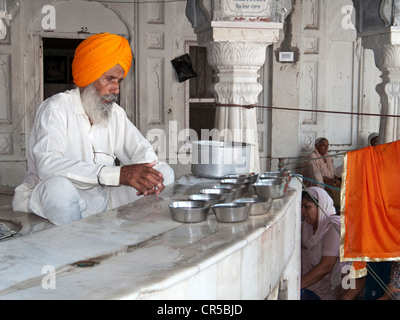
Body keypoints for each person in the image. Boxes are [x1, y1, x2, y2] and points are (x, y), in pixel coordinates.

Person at [12, 33, 174, 226]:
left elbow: (141, 150)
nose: (116, 89)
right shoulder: (56, 108)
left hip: (104, 199)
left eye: (119, 81)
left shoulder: (114, 113)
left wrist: (148, 175)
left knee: (164, 171)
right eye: (109, 79)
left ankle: (134, 235)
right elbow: (47, 165)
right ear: (88, 77)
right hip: (58, 199)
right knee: (58, 188)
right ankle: (77, 250)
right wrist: (117, 174)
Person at [301, 187, 343, 300]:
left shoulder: (333, 226)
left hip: (339, 283)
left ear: (321, 207)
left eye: (307, 207)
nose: (302, 211)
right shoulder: (309, 226)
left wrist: (296, 286)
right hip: (318, 282)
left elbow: (327, 266)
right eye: (301, 207)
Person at [302, 137, 341, 207]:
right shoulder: (311, 157)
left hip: (331, 182)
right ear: (316, 146)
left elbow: (332, 172)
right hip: (319, 185)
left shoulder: (328, 156)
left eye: (327, 145)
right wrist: (333, 180)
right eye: (323, 145)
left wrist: (338, 179)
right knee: (337, 194)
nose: (326, 148)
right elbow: (317, 177)